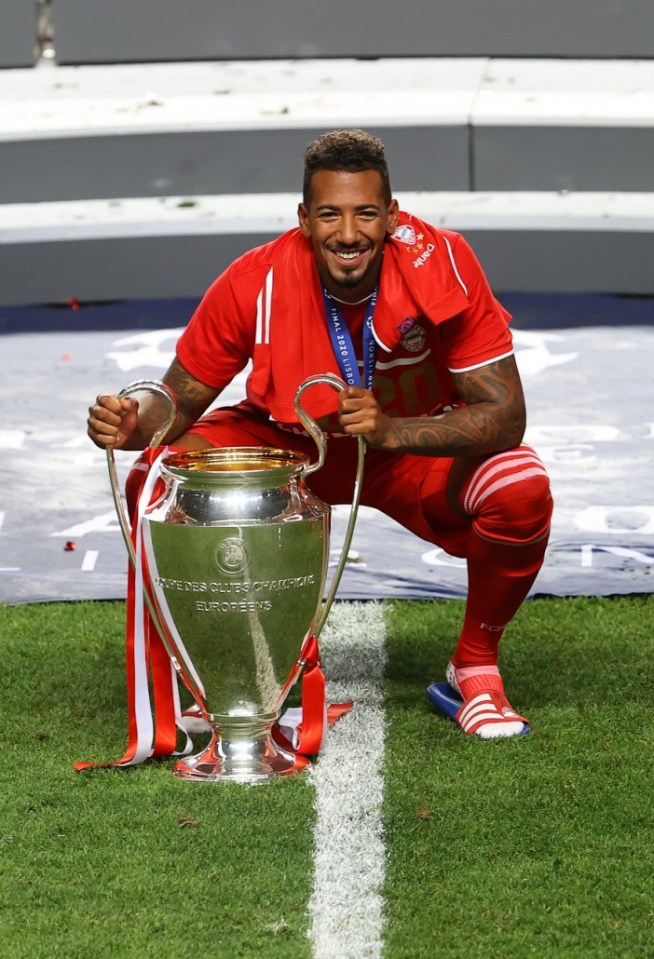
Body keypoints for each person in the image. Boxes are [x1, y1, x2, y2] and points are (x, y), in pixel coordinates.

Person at [88, 128, 552, 741]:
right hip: (289, 447)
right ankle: (224, 672)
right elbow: (177, 398)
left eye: (366, 213)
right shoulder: (253, 279)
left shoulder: (441, 262)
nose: (349, 233)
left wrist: (391, 431)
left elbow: (505, 414)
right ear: (304, 219)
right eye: (330, 214)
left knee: (519, 484)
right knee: (157, 477)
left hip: (405, 447)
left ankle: (474, 665)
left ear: (391, 215)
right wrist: (132, 419)